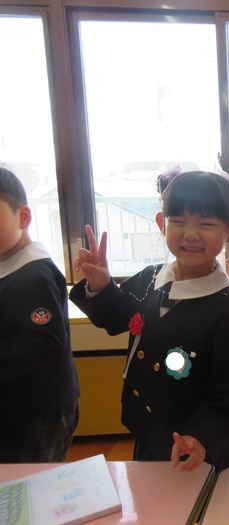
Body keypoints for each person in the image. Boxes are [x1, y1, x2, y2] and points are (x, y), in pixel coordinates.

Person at [70, 167, 229, 472]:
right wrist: (100, 286)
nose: (191, 234)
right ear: (161, 223)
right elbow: (116, 318)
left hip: (198, 447)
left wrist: (201, 438)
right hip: (148, 428)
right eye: (178, 221)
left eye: (206, 224)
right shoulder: (149, 278)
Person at [0, 167, 80, 463]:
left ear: (23, 217)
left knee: (30, 484)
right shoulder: (10, 266)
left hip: (37, 412)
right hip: (20, 408)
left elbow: (45, 343)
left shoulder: (34, 274)